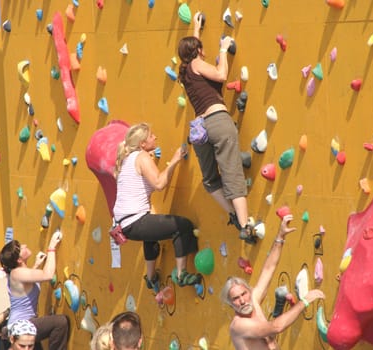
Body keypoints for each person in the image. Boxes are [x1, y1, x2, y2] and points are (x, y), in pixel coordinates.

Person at [177, 12, 256, 244]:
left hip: (200, 131)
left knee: (211, 180)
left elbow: (192, 54)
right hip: (218, 120)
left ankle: (232, 214)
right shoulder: (197, 63)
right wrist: (223, 48)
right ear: (198, 51)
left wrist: (196, 28)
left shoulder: (185, 72)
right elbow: (221, 75)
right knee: (232, 173)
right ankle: (245, 225)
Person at [113, 123, 201, 289]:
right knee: (182, 226)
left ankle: (151, 277)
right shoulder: (141, 156)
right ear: (142, 144)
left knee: (150, 235)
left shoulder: (127, 159)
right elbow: (159, 184)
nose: (155, 137)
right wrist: (175, 160)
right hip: (134, 221)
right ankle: (182, 274)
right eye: (151, 135)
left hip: (125, 224)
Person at [221, 215, 325, 349]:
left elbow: (268, 269)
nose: (242, 300)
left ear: (249, 291)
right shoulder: (239, 325)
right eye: (235, 298)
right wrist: (304, 302)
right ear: (230, 303)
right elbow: (276, 327)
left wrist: (280, 237)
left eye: (243, 294)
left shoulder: (253, 301)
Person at [0, 230, 69, 350]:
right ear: (19, 260)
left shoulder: (17, 272)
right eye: (21, 248)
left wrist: (36, 265)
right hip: (21, 324)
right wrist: (51, 247)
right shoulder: (17, 273)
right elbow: (48, 275)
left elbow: (28, 282)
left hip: (22, 322)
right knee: (61, 322)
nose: (25, 245)